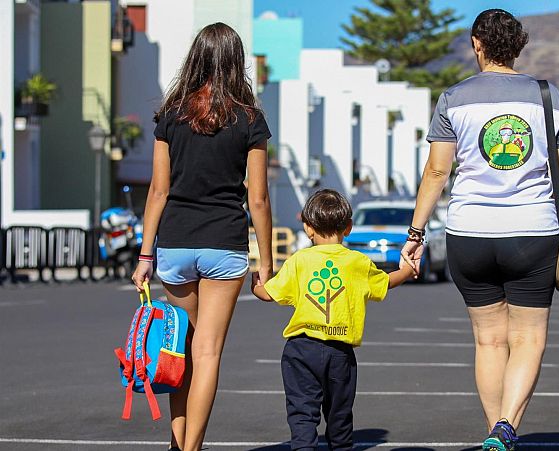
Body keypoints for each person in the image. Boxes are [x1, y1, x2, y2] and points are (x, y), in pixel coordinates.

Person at [400, 9, 559, 451]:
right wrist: (556, 223)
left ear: (477, 45)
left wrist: (416, 234)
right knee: (528, 338)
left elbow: (437, 172)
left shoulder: (453, 98)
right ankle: (506, 427)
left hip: (468, 232)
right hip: (531, 231)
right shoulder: (549, 96)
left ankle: (497, 433)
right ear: (519, 46)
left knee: (489, 340)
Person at [130, 23, 273, 451]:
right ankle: (192, 447)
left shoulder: (170, 116)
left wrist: (144, 255)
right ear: (236, 63)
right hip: (225, 246)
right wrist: (265, 264)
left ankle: (178, 445)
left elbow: (158, 191)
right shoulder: (250, 120)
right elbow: (260, 199)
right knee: (207, 353)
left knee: (180, 350)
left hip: (174, 245)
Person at [251, 189, 416, 450]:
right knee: (339, 413)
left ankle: (304, 446)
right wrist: (406, 271)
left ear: (308, 228)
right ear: (348, 227)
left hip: (300, 349)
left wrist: (256, 286)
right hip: (340, 351)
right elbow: (385, 282)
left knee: (302, 411)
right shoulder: (357, 262)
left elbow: (269, 294)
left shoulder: (300, 260)